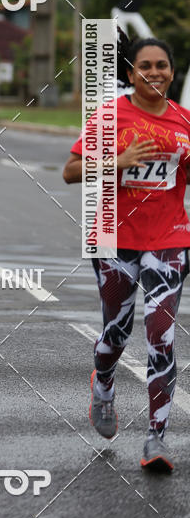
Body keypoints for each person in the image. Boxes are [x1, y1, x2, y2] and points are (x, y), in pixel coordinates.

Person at [63, 37, 190, 472]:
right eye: (145, 66)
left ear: (172, 72)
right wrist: (118, 161)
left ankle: (156, 438)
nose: (154, 72)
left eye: (162, 66)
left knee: (161, 335)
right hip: (114, 236)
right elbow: (70, 172)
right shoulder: (110, 115)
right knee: (116, 333)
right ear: (131, 74)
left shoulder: (184, 121)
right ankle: (104, 380)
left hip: (169, 240)